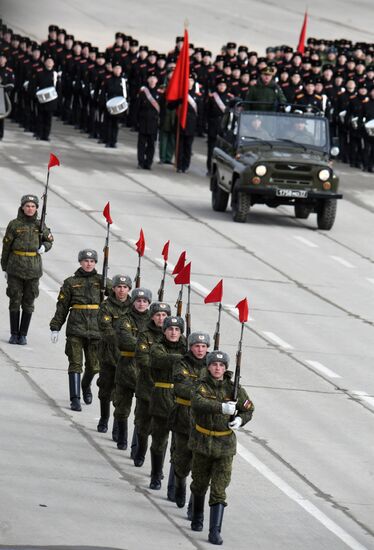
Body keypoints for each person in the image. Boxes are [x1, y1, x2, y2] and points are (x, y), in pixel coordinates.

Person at [189, 350, 254, 545]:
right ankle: (198, 516)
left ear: (226, 369)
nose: (218, 368)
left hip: (224, 446)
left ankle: (214, 531)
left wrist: (241, 420)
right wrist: (220, 407)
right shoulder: (200, 385)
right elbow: (198, 403)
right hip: (202, 442)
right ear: (208, 366)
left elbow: (248, 408)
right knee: (199, 483)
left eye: (221, 366)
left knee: (219, 489)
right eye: (214, 365)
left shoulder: (234, 388)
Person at [50, 249, 107, 412]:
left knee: (94, 366)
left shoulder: (102, 281)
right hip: (76, 328)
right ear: (80, 262)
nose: (89, 264)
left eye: (92, 261)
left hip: (96, 330)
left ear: (95, 263)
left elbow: (119, 298)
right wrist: (56, 327)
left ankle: (85, 384)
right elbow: (62, 307)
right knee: (75, 364)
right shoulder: (70, 282)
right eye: (85, 261)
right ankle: (75, 398)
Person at [1, 194, 53, 344]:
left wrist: (44, 247)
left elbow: (50, 241)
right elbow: (6, 247)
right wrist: (5, 267)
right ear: (22, 207)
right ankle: (14, 333)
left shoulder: (40, 225)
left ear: (37, 208)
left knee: (29, 301)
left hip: (33, 269)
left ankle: (23, 334)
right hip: (15, 268)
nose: (30, 209)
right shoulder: (14, 224)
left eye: (33, 206)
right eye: (27, 206)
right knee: (14, 299)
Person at [170, 331, 210, 509]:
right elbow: (182, 388)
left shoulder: (214, 366)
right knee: (181, 461)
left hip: (203, 423)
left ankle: (195, 505)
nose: (200, 350)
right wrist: (204, 393)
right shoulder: (182, 363)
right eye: (196, 346)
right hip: (183, 419)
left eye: (203, 346)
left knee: (200, 468)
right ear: (190, 347)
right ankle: (179, 487)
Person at [148, 316, 186, 491]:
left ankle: (174, 485)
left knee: (178, 448)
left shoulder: (188, 348)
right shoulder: (157, 347)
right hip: (161, 398)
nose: (173, 332)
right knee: (159, 442)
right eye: (170, 329)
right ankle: (156, 475)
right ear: (164, 331)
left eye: (177, 330)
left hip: (180, 402)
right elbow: (159, 360)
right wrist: (183, 358)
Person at [133, 301, 171, 467]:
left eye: (164, 315)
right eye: (157, 315)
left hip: (166, 395)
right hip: (147, 388)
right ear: (152, 316)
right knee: (142, 426)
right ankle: (140, 450)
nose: (161, 318)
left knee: (162, 435)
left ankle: (157, 470)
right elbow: (143, 359)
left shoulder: (177, 339)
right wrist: (163, 365)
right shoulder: (145, 335)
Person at [113, 287, 152, 451]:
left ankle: (137, 444)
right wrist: (146, 347)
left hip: (145, 372)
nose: (141, 304)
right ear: (133, 302)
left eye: (144, 301)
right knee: (122, 407)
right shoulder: (125, 320)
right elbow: (125, 340)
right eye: (138, 300)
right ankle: (122, 438)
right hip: (126, 367)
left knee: (142, 413)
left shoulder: (155, 322)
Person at [96, 274, 132, 436]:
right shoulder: (106, 306)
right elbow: (105, 328)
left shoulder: (134, 307)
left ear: (129, 289)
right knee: (105, 389)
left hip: (127, 359)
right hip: (109, 355)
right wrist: (123, 339)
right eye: (119, 287)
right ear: (114, 288)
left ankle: (118, 424)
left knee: (122, 394)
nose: (122, 290)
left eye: (125, 287)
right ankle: (104, 418)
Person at [135, 72, 162, 169]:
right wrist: (136, 121)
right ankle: (140, 162)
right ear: (147, 80)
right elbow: (137, 107)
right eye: (150, 78)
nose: (152, 80)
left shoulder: (160, 93)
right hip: (143, 120)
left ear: (157, 80)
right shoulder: (142, 92)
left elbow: (162, 108)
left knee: (151, 144)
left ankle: (148, 163)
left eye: (154, 78)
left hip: (153, 122)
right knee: (141, 144)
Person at [30, 55, 58, 140]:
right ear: (45, 62)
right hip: (41, 99)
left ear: (53, 63)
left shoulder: (55, 74)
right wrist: (34, 94)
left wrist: (57, 100)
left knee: (48, 118)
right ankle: (39, 134)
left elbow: (58, 88)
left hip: (51, 100)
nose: (49, 63)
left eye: (51, 61)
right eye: (48, 61)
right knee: (40, 117)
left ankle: (46, 135)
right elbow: (34, 84)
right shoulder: (39, 72)